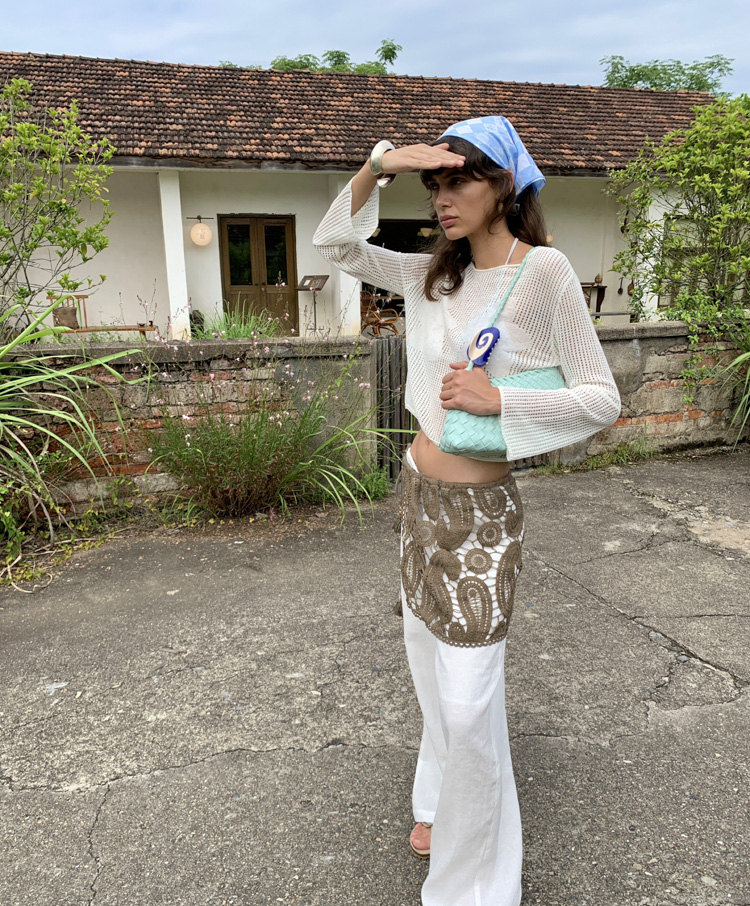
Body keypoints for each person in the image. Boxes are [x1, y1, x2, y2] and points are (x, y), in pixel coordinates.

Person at [313, 116, 621, 906]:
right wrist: (377, 165)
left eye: (460, 181)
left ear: (504, 185)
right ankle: (436, 797)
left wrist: (500, 399)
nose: (443, 198)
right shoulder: (433, 274)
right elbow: (336, 246)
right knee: (427, 669)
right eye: (435, 185)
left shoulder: (544, 272)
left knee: (468, 695)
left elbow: (601, 398)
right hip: (418, 495)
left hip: (481, 517)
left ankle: (474, 888)